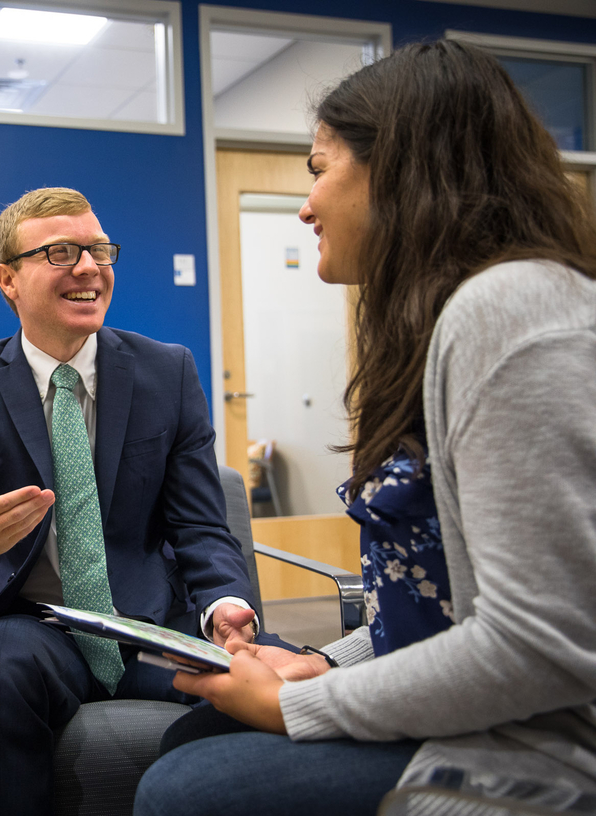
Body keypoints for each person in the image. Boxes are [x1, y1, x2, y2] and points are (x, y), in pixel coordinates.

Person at [134, 40, 596, 816]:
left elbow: (543, 647)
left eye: (319, 168)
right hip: (482, 711)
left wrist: (296, 705)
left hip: (539, 745)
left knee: (186, 792)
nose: (306, 203)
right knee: (194, 738)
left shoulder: (511, 311)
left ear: (405, 169)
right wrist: (324, 662)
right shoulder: (443, 320)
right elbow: (434, 605)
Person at [0, 187, 274, 816]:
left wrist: (226, 607)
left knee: (292, 685)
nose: (89, 267)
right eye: (61, 252)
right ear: (8, 279)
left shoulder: (168, 372)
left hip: (156, 625)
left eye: (99, 250)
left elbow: (204, 528)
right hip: (37, 629)